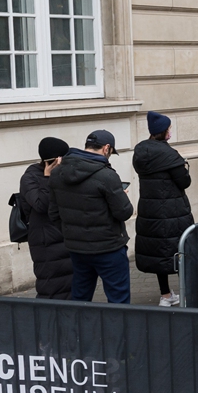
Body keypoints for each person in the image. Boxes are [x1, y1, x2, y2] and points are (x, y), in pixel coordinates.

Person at [50, 130, 134, 304]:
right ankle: (117, 332)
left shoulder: (58, 173)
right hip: (108, 248)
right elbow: (124, 212)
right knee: (119, 299)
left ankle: (79, 331)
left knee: (80, 297)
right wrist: (122, 195)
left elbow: (53, 214)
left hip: (77, 249)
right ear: (106, 148)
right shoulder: (107, 175)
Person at [132, 111, 193, 307]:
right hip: (172, 211)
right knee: (181, 250)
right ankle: (186, 294)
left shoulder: (141, 152)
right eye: (169, 128)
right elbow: (184, 181)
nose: (170, 131)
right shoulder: (169, 155)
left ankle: (166, 295)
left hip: (151, 211)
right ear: (163, 131)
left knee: (159, 252)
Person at [19, 137, 73, 300]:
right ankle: (47, 323)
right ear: (56, 159)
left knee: (70, 286)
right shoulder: (30, 177)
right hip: (45, 241)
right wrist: (47, 177)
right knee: (51, 287)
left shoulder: (64, 173)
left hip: (64, 236)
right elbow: (41, 205)